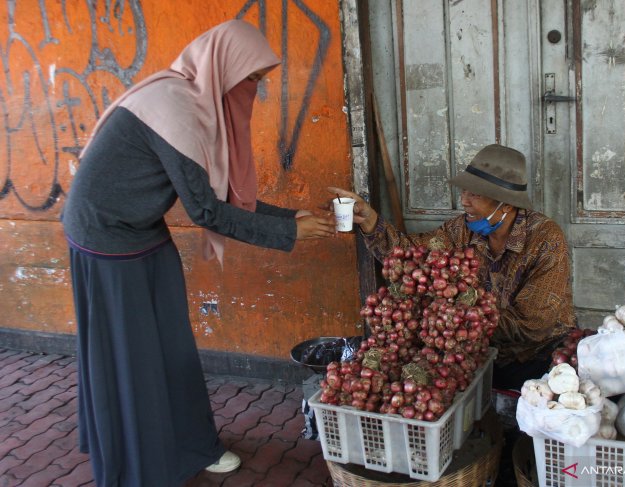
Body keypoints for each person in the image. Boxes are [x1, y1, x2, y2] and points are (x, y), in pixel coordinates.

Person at [62, 20, 335, 486]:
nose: (256, 90)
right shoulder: (174, 108)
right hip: (106, 241)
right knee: (136, 358)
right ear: (223, 68)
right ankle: (141, 459)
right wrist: (291, 234)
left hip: (142, 230)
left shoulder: (193, 103)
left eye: (262, 81)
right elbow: (208, 211)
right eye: (252, 79)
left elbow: (227, 198)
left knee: (172, 350)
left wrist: (292, 219)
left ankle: (192, 443)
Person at [328, 144, 576, 389]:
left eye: (475, 195)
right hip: (477, 349)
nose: (464, 201)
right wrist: (370, 220)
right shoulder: (461, 229)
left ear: (508, 205)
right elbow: (410, 257)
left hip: (535, 357)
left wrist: (468, 313)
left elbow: (534, 326)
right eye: (464, 192)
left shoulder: (545, 240)